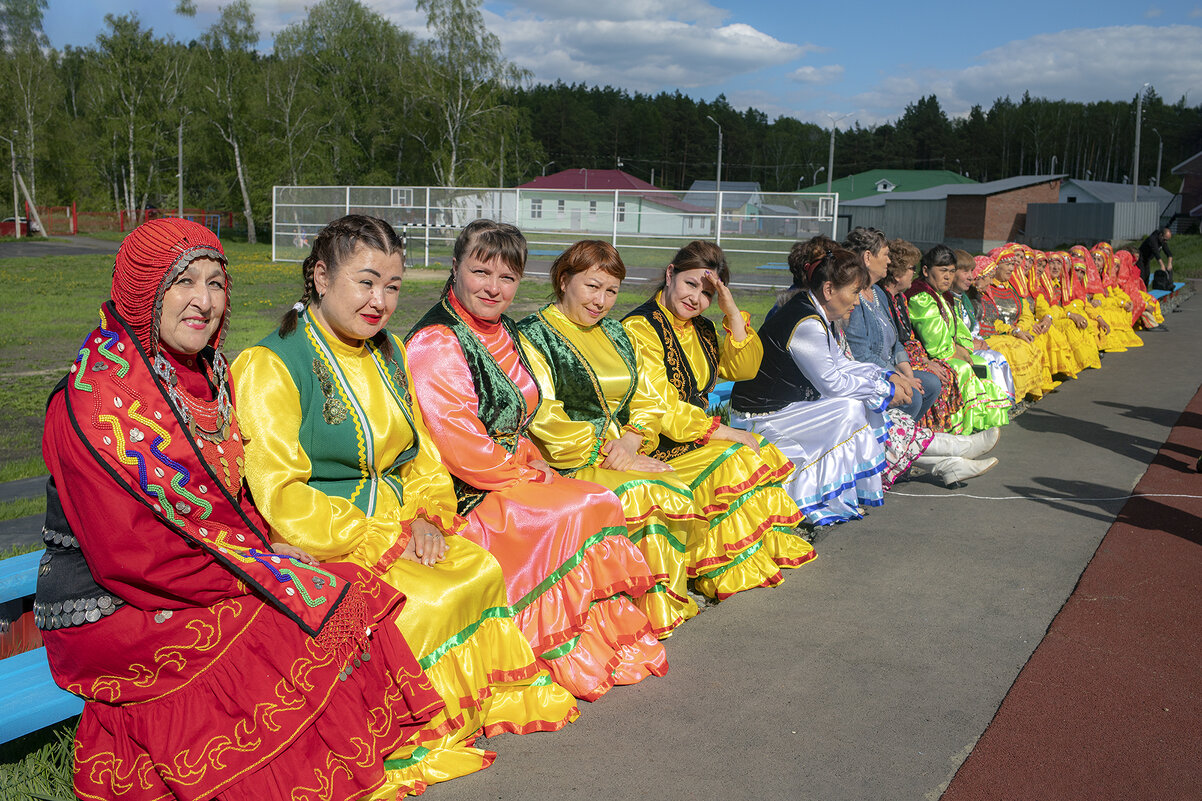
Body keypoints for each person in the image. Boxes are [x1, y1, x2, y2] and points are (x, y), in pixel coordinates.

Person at [37, 218, 445, 801]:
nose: (202, 302)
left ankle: (323, 775)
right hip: (113, 599)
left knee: (337, 592)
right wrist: (257, 569)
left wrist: (266, 552)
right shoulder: (94, 399)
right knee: (289, 615)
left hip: (195, 566)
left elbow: (228, 500)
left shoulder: (206, 374)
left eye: (215, 283)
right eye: (182, 283)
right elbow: (129, 554)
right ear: (143, 291)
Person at [232, 215, 581, 794]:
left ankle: (464, 713)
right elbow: (283, 494)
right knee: (422, 599)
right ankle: (405, 736)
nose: (381, 302)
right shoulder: (272, 364)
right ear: (320, 277)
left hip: (399, 524)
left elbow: (420, 455)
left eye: (392, 287)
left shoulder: (389, 352)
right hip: (324, 540)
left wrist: (424, 515)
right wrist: (381, 535)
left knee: (475, 567)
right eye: (366, 282)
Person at [406, 219, 668, 702]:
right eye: (481, 272)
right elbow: (458, 443)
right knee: (578, 506)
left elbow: (517, 417)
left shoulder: (498, 329)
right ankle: (553, 648)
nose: (494, 287)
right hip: (463, 492)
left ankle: (598, 645)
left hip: (503, 471)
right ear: (456, 268)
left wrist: (530, 458)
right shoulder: (437, 341)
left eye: (507, 278)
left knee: (599, 499)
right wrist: (529, 470)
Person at [517, 240, 709, 636]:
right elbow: (544, 415)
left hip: (620, 451)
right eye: (592, 287)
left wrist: (633, 441)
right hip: (568, 459)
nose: (601, 301)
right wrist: (608, 452)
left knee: (667, 483)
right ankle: (631, 612)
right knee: (648, 491)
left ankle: (659, 606)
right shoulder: (535, 334)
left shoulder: (616, 333)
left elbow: (646, 397)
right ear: (564, 280)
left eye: (611, 291)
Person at [731, 237, 998, 496]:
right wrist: (882, 387)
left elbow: (843, 363)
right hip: (768, 414)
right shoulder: (806, 320)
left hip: (794, 402)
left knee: (868, 406)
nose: (857, 301)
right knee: (855, 408)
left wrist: (886, 376)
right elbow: (833, 381)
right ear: (828, 288)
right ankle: (956, 451)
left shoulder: (816, 312)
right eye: (854, 291)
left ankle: (951, 458)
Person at [619, 240, 813, 591]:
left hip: (692, 437)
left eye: (707, 294)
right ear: (670, 274)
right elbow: (661, 407)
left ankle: (751, 555)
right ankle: (719, 567)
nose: (696, 299)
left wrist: (733, 314)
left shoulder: (703, 329)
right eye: (690, 284)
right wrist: (725, 432)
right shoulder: (640, 328)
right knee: (736, 455)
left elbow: (745, 367)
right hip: (657, 443)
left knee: (760, 450)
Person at [907, 244, 1011, 434]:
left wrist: (963, 347)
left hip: (947, 349)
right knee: (962, 367)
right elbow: (934, 341)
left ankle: (979, 424)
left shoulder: (943, 295)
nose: (948, 276)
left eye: (952, 271)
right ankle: (958, 428)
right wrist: (955, 351)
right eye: (943, 270)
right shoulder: (920, 295)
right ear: (925, 270)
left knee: (981, 362)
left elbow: (960, 329)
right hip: (927, 354)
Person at [842, 227, 942, 421]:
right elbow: (860, 354)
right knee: (911, 398)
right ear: (868, 257)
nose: (889, 261)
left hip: (889, 368)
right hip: (869, 372)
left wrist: (908, 375)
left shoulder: (878, 294)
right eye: (886, 255)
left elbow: (895, 342)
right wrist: (898, 377)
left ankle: (906, 435)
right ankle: (890, 441)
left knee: (931, 384)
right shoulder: (853, 298)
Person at [881, 238, 965, 431]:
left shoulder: (900, 297)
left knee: (944, 375)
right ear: (897, 273)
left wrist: (924, 362)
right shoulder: (890, 297)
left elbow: (905, 340)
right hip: (889, 364)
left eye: (952, 271)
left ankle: (927, 435)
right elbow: (893, 344)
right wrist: (913, 370)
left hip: (907, 357)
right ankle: (912, 435)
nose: (915, 273)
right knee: (937, 379)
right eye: (912, 268)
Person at [967, 255, 1048, 402]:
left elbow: (994, 321)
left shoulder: (984, 293)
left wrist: (1016, 330)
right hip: (979, 338)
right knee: (1007, 352)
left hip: (993, 333)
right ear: (980, 275)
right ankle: (1005, 399)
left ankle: (1016, 395)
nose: (991, 282)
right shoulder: (969, 296)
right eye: (1008, 263)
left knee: (1024, 345)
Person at [951, 248, 1015, 399]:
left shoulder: (965, 298)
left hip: (975, 341)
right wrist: (971, 343)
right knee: (991, 360)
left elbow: (973, 325)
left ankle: (1001, 403)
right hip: (958, 347)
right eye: (966, 272)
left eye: (972, 272)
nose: (971, 277)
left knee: (1000, 357)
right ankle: (990, 403)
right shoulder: (952, 298)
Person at [1031, 249, 1101, 373]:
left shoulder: (1058, 284)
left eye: (1059, 264)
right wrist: (1069, 315)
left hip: (1053, 316)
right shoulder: (1041, 284)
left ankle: (1083, 360)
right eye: (1052, 263)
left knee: (1081, 319)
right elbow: (1047, 308)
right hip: (1043, 319)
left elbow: (1065, 305)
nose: (1056, 267)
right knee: (1068, 324)